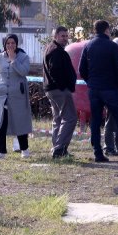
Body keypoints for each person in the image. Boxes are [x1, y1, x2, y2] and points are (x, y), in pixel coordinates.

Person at [79, 20, 118, 163]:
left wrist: (91, 82)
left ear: (95, 30)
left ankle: (98, 153)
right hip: (110, 89)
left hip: (94, 90)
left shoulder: (88, 46)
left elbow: (82, 69)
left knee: (95, 121)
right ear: (107, 30)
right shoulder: (112, 46)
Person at [0, 34, 32, 159]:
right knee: (0, 123)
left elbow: (24, 71)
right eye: (8, 43)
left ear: (17, 44)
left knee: (20, 122)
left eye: (13, 43)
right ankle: (1, 151)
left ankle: (24, 149)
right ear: (4, 44)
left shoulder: (23, 57)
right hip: (0, 96)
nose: (10, 45)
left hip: (17, 96)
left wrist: (14, 60)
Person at [43, 26, 78, 159]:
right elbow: (54, 71)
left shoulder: (50, 48)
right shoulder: (56, 51)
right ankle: (59, 149)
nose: (65, 38)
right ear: (55, 36)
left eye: (66, 36)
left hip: (52, 89)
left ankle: (56, 148)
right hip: (59, 90)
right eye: (62, 36)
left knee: (58, 119)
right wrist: (64, 86)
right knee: (70, 118)